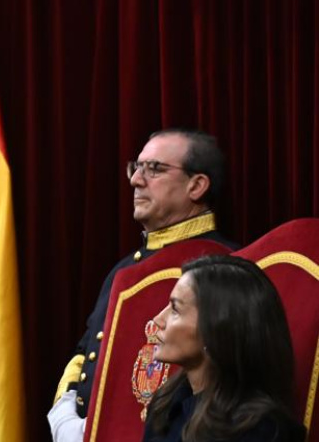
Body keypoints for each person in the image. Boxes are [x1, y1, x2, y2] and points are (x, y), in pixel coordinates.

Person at [49, 128, 237, 441]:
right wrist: (67, 412)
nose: (137, 179)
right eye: (136, 167)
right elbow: (87, 352)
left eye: (155, 169)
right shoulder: (126, 268)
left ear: (197, 185)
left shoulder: (226, 269)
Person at [143, 255, 305, 442]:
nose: (158, 320)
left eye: (175, 309)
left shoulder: (261, 431)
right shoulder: (167, 403)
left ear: (216, 330)